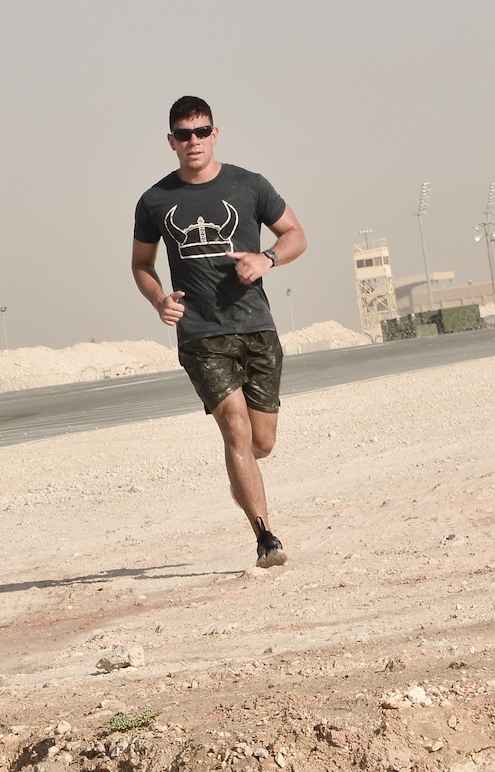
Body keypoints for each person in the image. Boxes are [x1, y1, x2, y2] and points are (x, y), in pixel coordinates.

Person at [131, 95, 307, 568]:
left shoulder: (249, 185)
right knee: (234, 427)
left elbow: (296, 234)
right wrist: (159, 300)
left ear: (215, 134)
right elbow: (142, 265)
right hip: (200, 334)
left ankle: (242, 470)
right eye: (184, 134)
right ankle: (265, 535)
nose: (194, 142)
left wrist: (265, 258)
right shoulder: (154, 200)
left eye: (202, 132)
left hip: (256, 326)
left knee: (260, 441)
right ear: (171, 141)